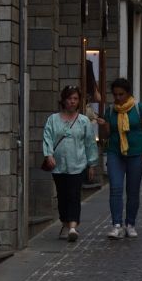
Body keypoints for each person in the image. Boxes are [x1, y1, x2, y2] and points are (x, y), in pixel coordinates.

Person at [41, 85, 98, 242]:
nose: (72, 102)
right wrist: (48, 155)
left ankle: (73, 226)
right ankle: (65, 223)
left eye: (75, 99)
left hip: (78, 164)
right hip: (58, 165)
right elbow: (47, 137)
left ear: (79, 101)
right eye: (69, 98)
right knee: (62, 196)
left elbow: (90, 143)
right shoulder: (53, 119)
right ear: (63, 100)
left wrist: (92, 164)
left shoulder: (83, 121)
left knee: (74, 194)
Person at [98, 76, 142, 239]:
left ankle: (130, 223)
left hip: (136, 153)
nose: (118, 98)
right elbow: (106, 135)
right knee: (115, 188)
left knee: (132, 190)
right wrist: (104, 126)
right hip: (115, 152)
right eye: (115, 94)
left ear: (128, 93)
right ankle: (117, 225)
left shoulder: (138, 108)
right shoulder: (110, 111)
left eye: (121, 94)